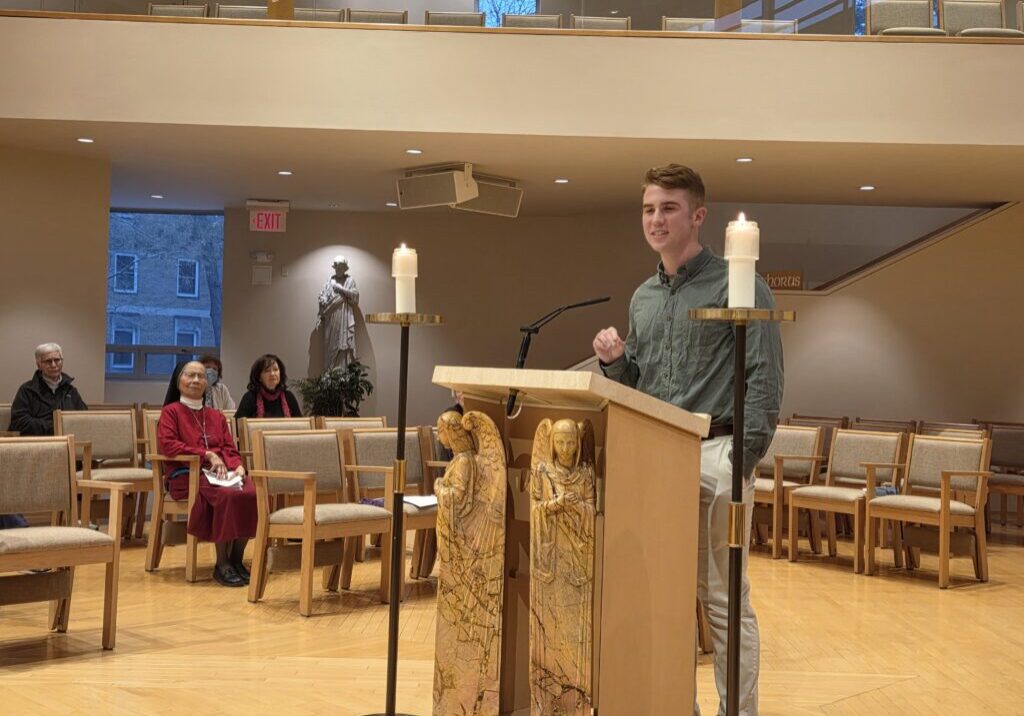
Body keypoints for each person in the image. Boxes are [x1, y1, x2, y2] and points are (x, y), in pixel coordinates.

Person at [593, 164, 783, 716]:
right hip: (656, 462)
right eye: (650, 209)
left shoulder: (740, 287)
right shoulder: (643, 299)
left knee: (723, 601)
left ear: (698, 215)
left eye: (669, 208)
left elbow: (765, 384)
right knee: (666, 603)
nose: (656, 219)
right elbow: (641, 390)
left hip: (718, 453)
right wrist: (615, 363)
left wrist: (739, 466)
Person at [158, 361, 257, 587]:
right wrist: (207, 454)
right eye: (190, 375)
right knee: (227, 495)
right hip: (188, 476)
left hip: (221, 475)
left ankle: (236, 559)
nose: (196, 380)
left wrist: (239, 466)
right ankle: (221, 564)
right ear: (178, 381)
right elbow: (169, 446)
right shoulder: (170, 412)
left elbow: (230, 449)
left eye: (201, 376)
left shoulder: (216, 416)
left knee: (253, 492)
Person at [4, 342, 89, 529]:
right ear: (39, 364)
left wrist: (66, 429)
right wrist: (54, 427)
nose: (53, 365)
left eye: (57, 360)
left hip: (67, 453)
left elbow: (83, 418)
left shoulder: (70, 391)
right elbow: (19, 422)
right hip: (38, 450)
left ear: (62, 362)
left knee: (79, 463)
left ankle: (76, 518)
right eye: (48, 361)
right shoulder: (27, 391)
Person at [317, 255, 359, 372]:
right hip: (331, 319)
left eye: (340, 268)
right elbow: (322, 297)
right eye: (336, 268)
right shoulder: (330, 281)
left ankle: (344, 374)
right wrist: (323, 302)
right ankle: (329, 374)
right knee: (330, 345)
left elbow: (355, 297)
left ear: (345, 268)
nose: (338, 270)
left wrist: (341, 289)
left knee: (344, 345)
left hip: (345, 318)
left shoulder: (350, 281)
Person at [234, 354, 302, 419]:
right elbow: (238, 426)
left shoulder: (289, 397)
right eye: (267, 371)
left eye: (275, 370)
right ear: (259, 377)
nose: (272, 374)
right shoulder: (250, 397)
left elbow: (301, 426)